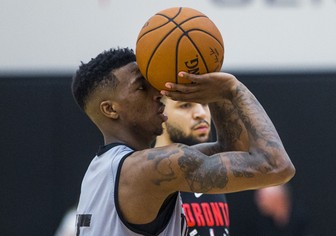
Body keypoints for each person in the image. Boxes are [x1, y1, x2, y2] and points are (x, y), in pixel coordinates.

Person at [71, 47, 295, 235]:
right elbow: (276, 166)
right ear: (110, 109)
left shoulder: (100, 170)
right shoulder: (146, 170)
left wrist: (214, 93)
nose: (158, 93)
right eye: (142, 87)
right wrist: (233, 90)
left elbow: (231, 151)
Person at [154, 98, 230, 235]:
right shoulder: (147, 176)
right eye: (185, 105)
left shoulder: (213, 166)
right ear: (159, 111)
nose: (201, 113)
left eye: (205, 103)